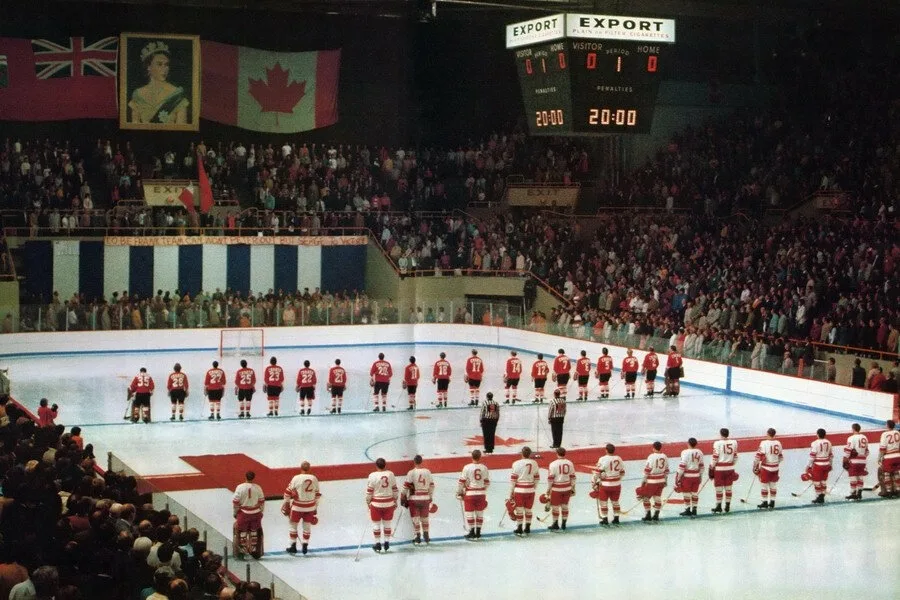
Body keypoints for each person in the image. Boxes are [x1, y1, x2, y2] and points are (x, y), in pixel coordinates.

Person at [128, 41, 190, 125]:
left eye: (166, 64)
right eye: (159, 64)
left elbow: (182, 129)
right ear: (148, 67)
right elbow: (134, 127)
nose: (164, 69)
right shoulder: (138, 94)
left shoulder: (177, 94)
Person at [282, 461, 320, 555]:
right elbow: (317, 495)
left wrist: (286, 504)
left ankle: (293, 546)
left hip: (297, 507)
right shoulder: (314, 478)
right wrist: (315, 507)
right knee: (307, 526)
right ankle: (305, 545)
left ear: (301, 468)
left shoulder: (296, 478)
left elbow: (287, 493)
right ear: (309, 468)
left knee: (293, 525)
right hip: (310, 507)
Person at [365, 457, 398, 553]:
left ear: (376, 466)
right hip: (389, 502)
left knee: (376, 524)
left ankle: (378, 543)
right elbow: (395, 489)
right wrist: (395, 500)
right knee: (387, 524)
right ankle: (387, 542)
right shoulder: (390, 474)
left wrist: (368, 501)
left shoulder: (372, 475)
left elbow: (369, 491)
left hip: (376, 503)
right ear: (385, 465)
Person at [457, 449, 490, 540]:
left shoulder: (467, 467)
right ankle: (478, 532)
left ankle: (472, 532)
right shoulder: (484, 467)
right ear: (480, 457)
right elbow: (487, 482)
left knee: (469, 514)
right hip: (481, 493)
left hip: (470, 494)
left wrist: (459, 492)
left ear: (472, 456)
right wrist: (482, 489)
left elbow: (461, 482)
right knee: (480, 513)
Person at [232, 471, 265, 559]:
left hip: (244, 513)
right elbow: (262, 501)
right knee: (255, 531)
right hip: (256, 513)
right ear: (254, 477)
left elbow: (235, 502)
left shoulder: (240, 487)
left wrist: (235, 513)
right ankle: (254, 551)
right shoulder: (258, 487)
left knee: (241, 532)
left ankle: (242, 552)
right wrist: (261, 512)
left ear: (245, 476)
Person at [403, 455, 435, 545]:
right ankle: (426, 533)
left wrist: (403, 496)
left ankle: (417, 536)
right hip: (425, 497)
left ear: (414, 462)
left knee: (415, 518)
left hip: (414, 498)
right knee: (425, 518)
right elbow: (432, 486)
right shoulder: (427, 472)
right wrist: (430, 496)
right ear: (421, 461)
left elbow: (406, 486)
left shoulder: (411, 472)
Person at [509, 446, 540, 537]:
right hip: (530, 490)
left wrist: (511, 491)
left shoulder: (516, 463)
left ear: (521, 454)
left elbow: (513, 480)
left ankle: (519, 528)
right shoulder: (534, 463)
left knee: (519, 510)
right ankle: (527, 527)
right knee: (528, 509)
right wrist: (533, 487)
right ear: (530, 454)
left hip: (519, 490)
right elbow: (537, 478)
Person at [592, 443, 625, 526]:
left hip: (605, 485)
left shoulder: (602, 459)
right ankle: (616, 518)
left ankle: (605, 519)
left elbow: (597, 473)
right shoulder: (619, 458)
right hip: (617, 485)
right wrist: (617, 479)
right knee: (615, 502)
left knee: (603, 502)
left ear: (606, 450)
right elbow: (622, 472)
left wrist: (594, 483)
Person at [545, 446, 576, 530]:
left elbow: (550, 479)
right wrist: (573, 487)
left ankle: (555, 524)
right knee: (565, 506)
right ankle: (564, 524)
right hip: (567, 488)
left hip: (557, 489)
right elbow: (573, 477)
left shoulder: (553, 464)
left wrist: (548, 489)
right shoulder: (570, 463)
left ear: (557, 454)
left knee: (555, 507)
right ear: (564, 454)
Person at [638, 441, 669, 522]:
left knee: (645, 498)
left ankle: (648, 514)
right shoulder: (664, 456)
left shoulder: (651, 456)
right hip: (661, 480)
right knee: (657, 497)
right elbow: (666, 470)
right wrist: (665, 480)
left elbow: (647, 470)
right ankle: (656, 515)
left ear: (653, 448)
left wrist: (643, 481)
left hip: (652, 481)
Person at [753, 428, 783, 509]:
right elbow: (781, 457)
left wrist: (755, 465)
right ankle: (772, 502)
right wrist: (775, 462)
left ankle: (765, 502)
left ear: (767, 434)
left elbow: (758, 456)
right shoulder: (778, 443)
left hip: (766, 468)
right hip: (775, 467)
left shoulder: (764, 443)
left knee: (764, 485)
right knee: (773, 485)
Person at [710, 427, 739, 513]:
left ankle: (718, 506)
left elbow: (715, 457)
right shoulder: (734, 442)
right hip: (730, 468)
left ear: (720, 434)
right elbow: (735, 456)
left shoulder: (717, 443)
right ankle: (727, 506)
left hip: (719, 469)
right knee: (728, 488)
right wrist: (731, 464)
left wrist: (712, 467)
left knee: (719, 488)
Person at [675, 437, 704, 517]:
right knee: (694, 493)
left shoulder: (685, 452)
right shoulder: (700, 452)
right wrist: (700, 476)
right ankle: (694, 509)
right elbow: (702, 466)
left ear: (688, 443)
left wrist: (678, 477)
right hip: (696, 476)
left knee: (686, 493)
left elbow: (682, 466)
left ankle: (688, 509)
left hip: (687, 476)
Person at [806, 428, 833, 504]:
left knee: (816, 481)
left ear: (817, 434)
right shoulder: (829, 442)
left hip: (818, 465)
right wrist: (831, 464)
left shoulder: (814, 443)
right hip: (826, 464)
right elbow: (831, 455)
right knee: (823, 480)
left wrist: (808, 466)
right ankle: (822, 495)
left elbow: (812, 456)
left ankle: (819, 497)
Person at [843, 423, 869, 500]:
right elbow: (867, 451)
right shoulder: (864, 437)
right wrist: (862, 457)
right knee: (860, 476)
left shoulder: (851, 438)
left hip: (854, 461)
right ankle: (859, 493)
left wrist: (845, 459)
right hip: (863, 460)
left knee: (853, 476)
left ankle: (853, 493)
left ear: (853, 429)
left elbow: (848, 451)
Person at [877, 420, 899, 498]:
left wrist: (879, 458)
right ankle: (898, 490)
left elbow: (882, 449)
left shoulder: (884, 434)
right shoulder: (898, 432)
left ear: (887, 425)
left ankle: (889, 491)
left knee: (886, 473)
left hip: (889, 457)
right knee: (896, 472)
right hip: (898, 456)